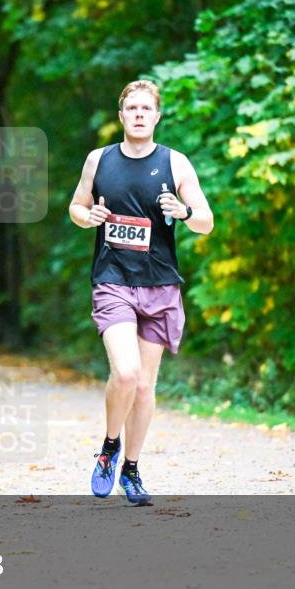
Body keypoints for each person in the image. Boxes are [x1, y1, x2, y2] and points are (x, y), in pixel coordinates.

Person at [69, 80, 214, 503]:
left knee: (146, 387)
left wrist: (184, 212)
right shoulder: (100, 160)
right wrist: (89, 215)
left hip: (160, 284)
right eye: (130, 107)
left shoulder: (176, 163)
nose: (137, 114)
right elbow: (76, 207)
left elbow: (206, 220)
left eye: (145, 108)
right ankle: (108, 447)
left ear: (156, 116)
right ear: (120, 116)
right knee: (126, 373)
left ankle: (131, 468)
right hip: (113, 280)